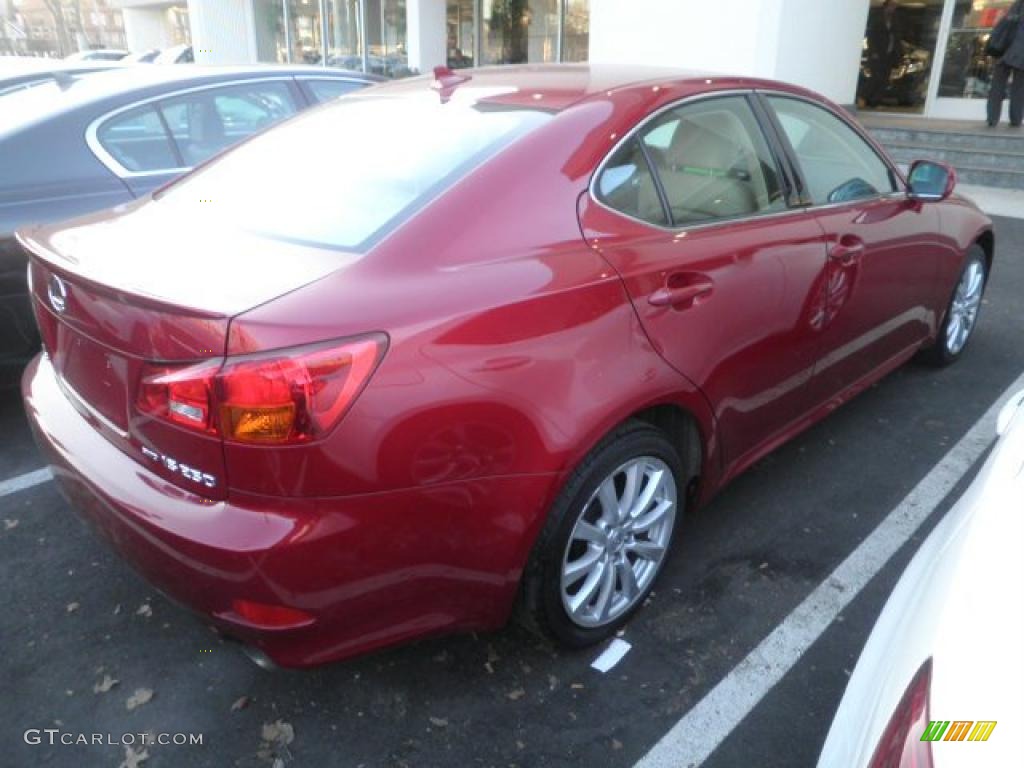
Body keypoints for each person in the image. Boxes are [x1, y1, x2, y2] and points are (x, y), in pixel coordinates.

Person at [987, 0, 1024, 127]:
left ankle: (992, 118)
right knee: (1019, 88)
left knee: (997, 86)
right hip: (1020, 54)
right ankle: (1016, 119)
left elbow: (999, 28)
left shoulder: (1012, 10)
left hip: (1004, 51)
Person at [866, 0, 903, 108]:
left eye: (895, 7)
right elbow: (871, 38)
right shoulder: (877, 19)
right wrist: (873, 52)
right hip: (878, 54)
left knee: (885, 80)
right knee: (876, 78)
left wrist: (898, 54)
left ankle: (875, 101)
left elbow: (896, 38)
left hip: (889, 55)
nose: (893, 9)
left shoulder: (895, 20)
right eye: (891, 6)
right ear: (885, 7)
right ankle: (864, 97)